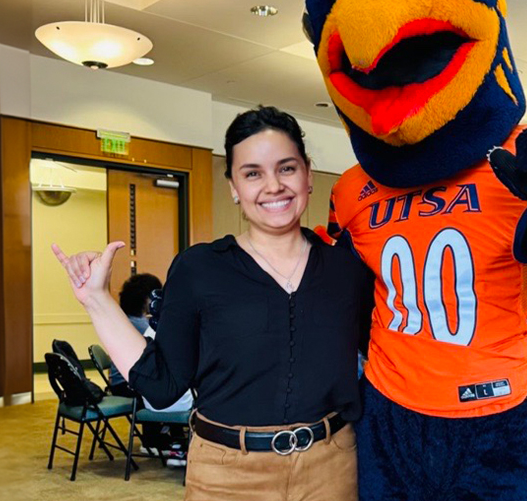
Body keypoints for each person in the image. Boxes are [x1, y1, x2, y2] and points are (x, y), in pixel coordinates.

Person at [53, 106, 374, 501]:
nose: (273, 185)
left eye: (286, 168)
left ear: (307, 174)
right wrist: (96, 299)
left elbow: (384, 355)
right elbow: (162, 385)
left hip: (332, 467)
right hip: (227, 473)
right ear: (234, 188)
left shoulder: (347, 269)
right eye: (252, 173)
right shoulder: (200, 268)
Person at [108, 273, 161, 397]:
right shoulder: (140, 325)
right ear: (145, 298)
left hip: (119, 382)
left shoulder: (128, 320)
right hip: (125, 385)